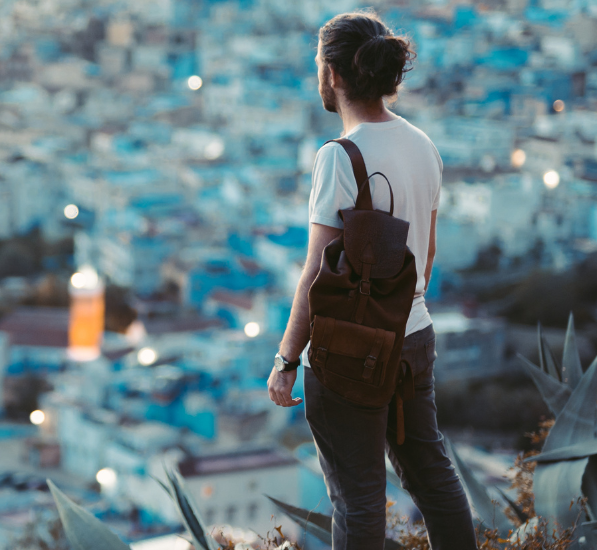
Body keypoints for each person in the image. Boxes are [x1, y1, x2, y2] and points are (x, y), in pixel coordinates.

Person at [264, 11, 477, 550]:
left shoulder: (339, 157)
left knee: (357, 497)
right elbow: (425, 254)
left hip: (350, 351)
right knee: (432, 472)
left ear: (333, 74)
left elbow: (316, 270)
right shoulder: (423, 146)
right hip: (414, 335)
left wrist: (286, 359)